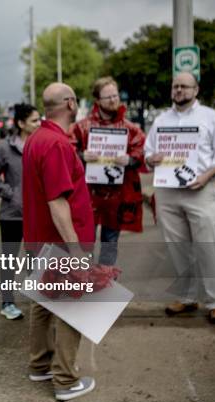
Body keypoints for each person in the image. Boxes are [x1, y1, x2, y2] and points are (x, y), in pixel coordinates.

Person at [22, 82, 96, 401]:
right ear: (69, 103)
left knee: (43, 305)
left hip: (40, 241)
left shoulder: (37, 138)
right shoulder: (55, 143)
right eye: (76, 100)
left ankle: (40, 364)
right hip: (61, 244)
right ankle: (65, 380)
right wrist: (77, 250)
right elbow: (57, 203)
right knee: (72, 309)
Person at [144, 72, 215, 324]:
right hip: (167, 191)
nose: (179, 90)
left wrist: (207, 175)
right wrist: (150, 158)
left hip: (200, 189)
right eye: (175, 86)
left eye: (184, 86)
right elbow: (148, 151)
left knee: (208, 245)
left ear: (196, 90)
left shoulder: (211, 117)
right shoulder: (161, 119)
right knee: (177, 247)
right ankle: (186, 298)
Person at [69, 77, 146, 265]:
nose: (113, 100)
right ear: (97, 101)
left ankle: (105, 282)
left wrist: (131, 159)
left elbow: (142, 151)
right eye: (107, 97)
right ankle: (84, 281)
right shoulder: (81, 127)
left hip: (117, 197)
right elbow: (66, 150)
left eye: (115, 95)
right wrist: (80, 155)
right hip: (88, 196)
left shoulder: (130, 128)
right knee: (85, 242)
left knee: (110, 242)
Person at [0, 103, 40, 320]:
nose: (39, 123)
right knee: (9, 261)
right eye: (34, 120)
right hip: (11, 215)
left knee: (35, 259)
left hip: (37, 216)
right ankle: (7, 303)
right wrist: (12, 194)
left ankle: (37, 300)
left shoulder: (41, 145)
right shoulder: (4, 147)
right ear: (21, 123)